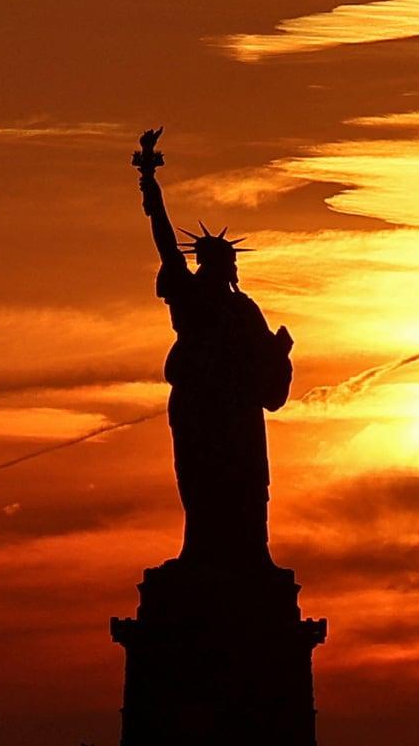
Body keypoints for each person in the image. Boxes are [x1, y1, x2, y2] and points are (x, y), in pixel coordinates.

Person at [136, 131, 293, 568]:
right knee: (201, 479)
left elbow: (265, 368)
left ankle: (250, 555)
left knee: (245, 480)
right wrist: (149, 181)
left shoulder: (245, 309)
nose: (230, 266)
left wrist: (279, 353)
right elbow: (164, 239)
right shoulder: (189, 294)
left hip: (239, 410)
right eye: (226, 260)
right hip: (201, 405)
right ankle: (202, 554)